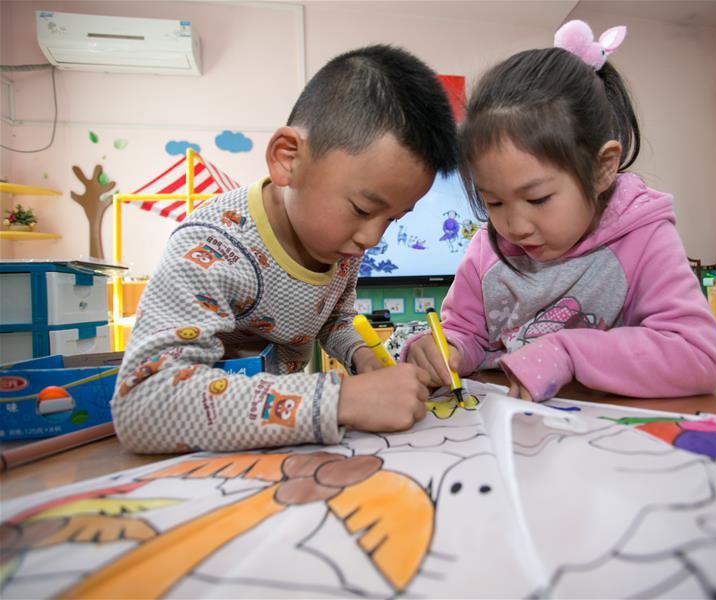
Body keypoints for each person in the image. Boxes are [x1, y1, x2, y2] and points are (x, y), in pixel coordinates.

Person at [113, 45, 458, 453]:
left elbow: (333, 319)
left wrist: (365, 358)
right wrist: (340, 400)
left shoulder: (340, 242)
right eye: (364, 208)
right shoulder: (210, 248)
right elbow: (142, 403)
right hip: (197, 459)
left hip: (279, 452)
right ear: (287, 158)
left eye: (394, 219)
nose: (372, 238)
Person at [403, 21, 716, 402]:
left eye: (537, 199)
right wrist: (444, 350)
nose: (515, 227)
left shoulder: (644, 236)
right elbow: (466, 333)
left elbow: (697, 356)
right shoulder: (488, 250)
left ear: (601, 168)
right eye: (494, 202)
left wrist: (570, 352)